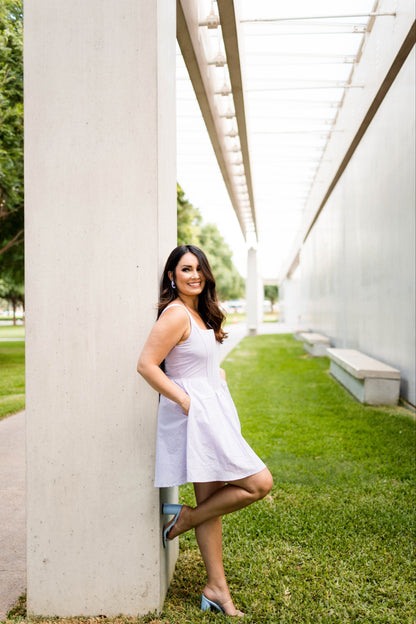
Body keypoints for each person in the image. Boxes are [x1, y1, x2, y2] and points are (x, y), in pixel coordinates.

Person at [137, 244, 273, 617]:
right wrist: (185, 401)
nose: (194, 275)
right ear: (172, 276)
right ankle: (189, 521)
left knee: (212, 502)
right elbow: (147, 365)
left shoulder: (201, 314)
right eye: (185, 269)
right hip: (196, 415)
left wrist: (217, 378)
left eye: (198, 268)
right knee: (260, 483)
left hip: (214, 411)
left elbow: (198, 362)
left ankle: (215, 586)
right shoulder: (176, 315)